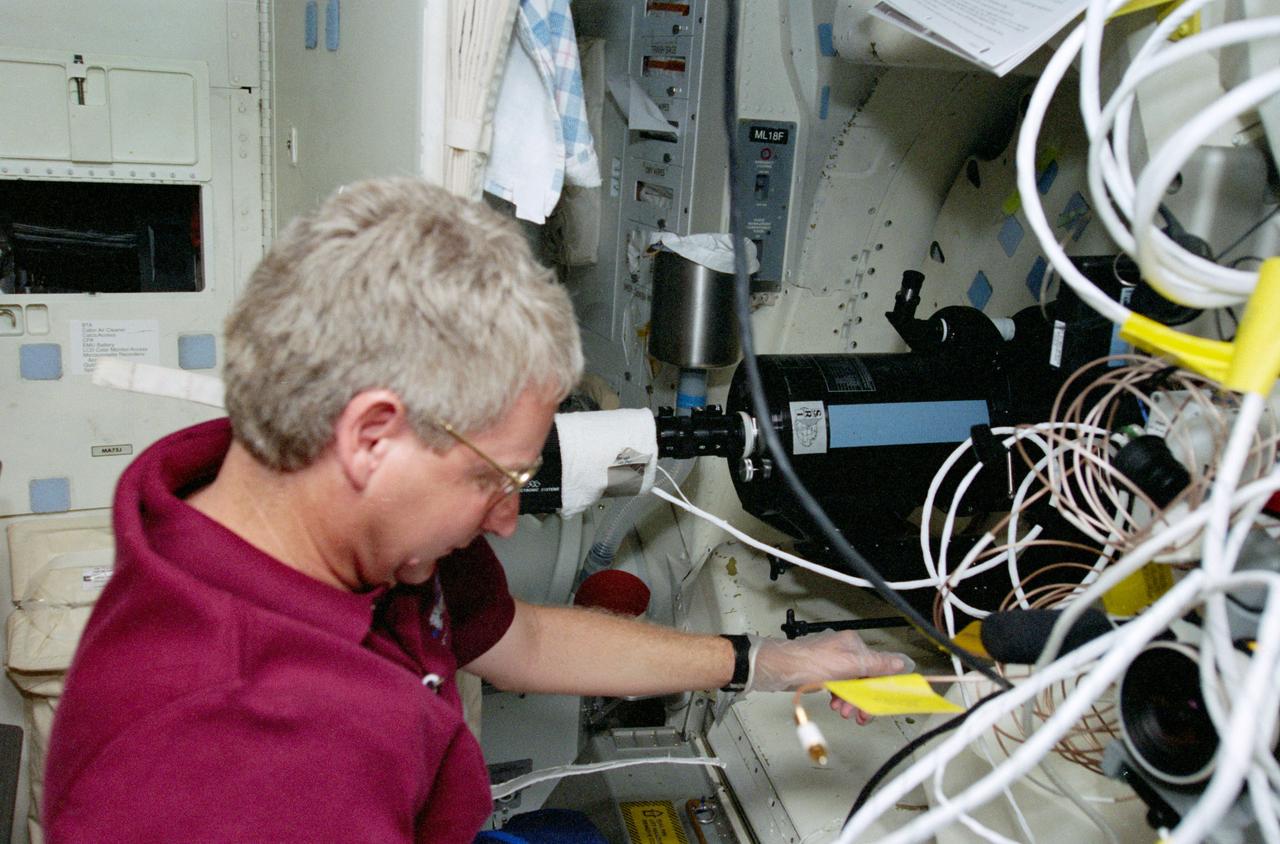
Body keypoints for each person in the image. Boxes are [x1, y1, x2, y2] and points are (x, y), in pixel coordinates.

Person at [43, 178, 906, 843]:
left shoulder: (313, 502)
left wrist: (767, 663)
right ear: (373, 435)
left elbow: (516, 637)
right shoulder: (227, 752)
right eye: (496, 478)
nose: (505, 519)